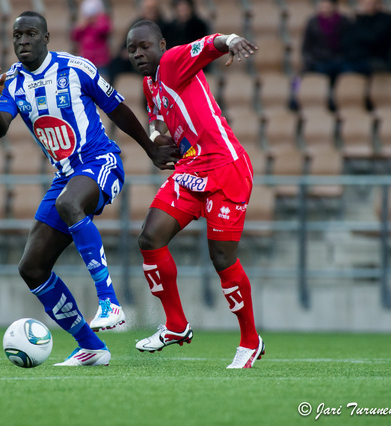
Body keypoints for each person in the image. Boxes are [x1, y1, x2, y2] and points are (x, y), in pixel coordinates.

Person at [0, 11, 180, 366]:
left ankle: (109, 302)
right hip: (66, 176)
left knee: (69, 203)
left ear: (46, 38)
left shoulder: (77, 68)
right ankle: (91, 346)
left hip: (101, 162)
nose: (22, 42)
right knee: (31, 267)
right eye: (17, 37)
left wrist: (151, 149)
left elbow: (117, 109)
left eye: (30, 35)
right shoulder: (11, 82)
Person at [126, 21, 265, 368]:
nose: (138, 54)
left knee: (222, 259)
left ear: (161, 44)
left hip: (225, 168)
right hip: (190, 171)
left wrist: (229, 40)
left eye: (144, 46)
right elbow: (158, 121)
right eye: (132, 49)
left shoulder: (172, 62)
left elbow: (207, 44)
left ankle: (251, 341)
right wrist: (158, 139)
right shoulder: (150, 83)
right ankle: (176, 325)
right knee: (150, 238)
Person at [107, 0, 168, 87]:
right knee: (115, 63)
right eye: (148, 9)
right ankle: (110, 94)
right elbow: (125, 45)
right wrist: (127, 51)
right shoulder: (136, 24)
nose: (150, 11)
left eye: (152, 9)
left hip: (153, 61)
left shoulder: (164, 25)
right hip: (135, 59)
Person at [300, 0, 353, 85]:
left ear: (334, 7)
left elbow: (350, 43)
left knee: (349, 71)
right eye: (323, 6)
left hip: (340, 59)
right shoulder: (313, 22)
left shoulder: (344, 22)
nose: (325, 9)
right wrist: (311, 61)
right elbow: (306, 46)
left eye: (327, 6)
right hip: (319, 60)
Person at [345, 0, 391, 74]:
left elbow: (373, 38)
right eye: (366, 3)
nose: (368, 6)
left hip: (378, 59)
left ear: (378, 4)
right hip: (360, 57)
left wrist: (360, 35)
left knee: (348, 68)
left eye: (370, 3)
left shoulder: (386, 19)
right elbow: (351, 39)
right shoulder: (361, 19)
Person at [70, 0, 112, 78]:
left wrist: (98, 19)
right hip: (86, 60)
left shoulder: (102, 21)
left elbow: (104, 29)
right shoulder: (84, 25)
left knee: (101, 82)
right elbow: (74, 36)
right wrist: (83, 25)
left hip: (100, 60)